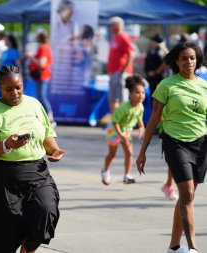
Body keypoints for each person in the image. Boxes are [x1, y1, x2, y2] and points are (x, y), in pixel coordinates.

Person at [0, 66, 64, 253]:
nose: (15, 93)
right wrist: (6, 145)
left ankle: (28, 249)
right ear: (0, 88)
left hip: (37, 172)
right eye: (8, 89)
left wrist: (54, 150)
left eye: (18, 87)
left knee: (45, 211)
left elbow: (46, 134)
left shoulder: (34, 104)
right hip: (2, 178)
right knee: (4, 231)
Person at [136, 42, 207, 253]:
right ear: (176, 61)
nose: (189, 62)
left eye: (192, 58)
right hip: (175, 142)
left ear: (197, 60)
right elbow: (154, 119)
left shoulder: (204, 86)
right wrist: (142, 151)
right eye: (184, 58)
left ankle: (174, 247)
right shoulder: (166, 85)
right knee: (187, 193)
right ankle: (193, 248)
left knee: (188, 196)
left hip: (201, 143)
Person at [101, 74, 145, 185]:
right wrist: (120, 135)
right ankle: (105, 171)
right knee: (112, 154)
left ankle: (127, 175)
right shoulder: (124, 107)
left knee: (129, 153)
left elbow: (139, 119)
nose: (141, 95)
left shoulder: (140, 107)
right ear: (130, 94)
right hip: (114, 131)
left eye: (143, 92)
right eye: (137, 92)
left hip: (127, 131)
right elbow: (115, 122)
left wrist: (141, 127)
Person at [107, 16, 134, 112]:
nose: (113, 28)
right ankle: (115, 120)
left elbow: (131, 53)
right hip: (112, 72)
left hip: (122, 72)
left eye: (116, 25)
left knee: (123, 97)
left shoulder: (124, 37)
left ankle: (125, 121)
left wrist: (125, 68)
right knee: (112, 97)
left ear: (120, 26)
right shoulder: (114, 38)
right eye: (112, 26)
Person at [27, 30, 55, 124]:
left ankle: (50, 116)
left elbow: (41, 64)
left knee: (42, 97)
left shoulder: (43, 48)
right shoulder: (45, 47)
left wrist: (31, 57)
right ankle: (45, 116)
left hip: (42, 76)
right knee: (40, 97)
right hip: (41, 76)